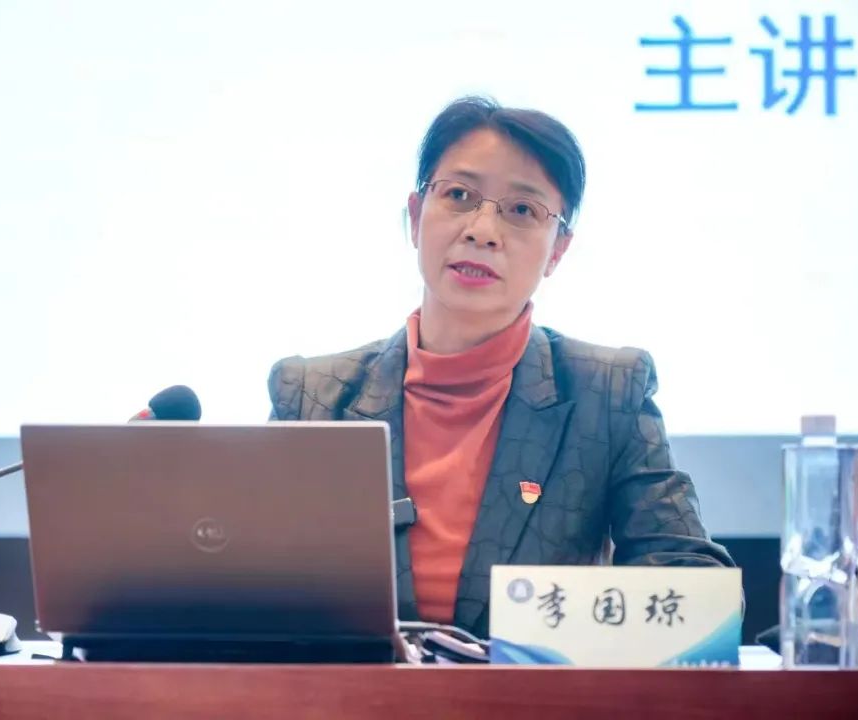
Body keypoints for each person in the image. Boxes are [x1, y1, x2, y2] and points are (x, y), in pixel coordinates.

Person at [268, 96, 734, 639]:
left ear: (557, 250)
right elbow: (251, 586)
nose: (483, 230)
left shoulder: (607, 393)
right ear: (415, 217)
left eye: (522, 210)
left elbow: (696, 591)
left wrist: (547, 631)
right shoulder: (313, 396)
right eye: (459, 196)